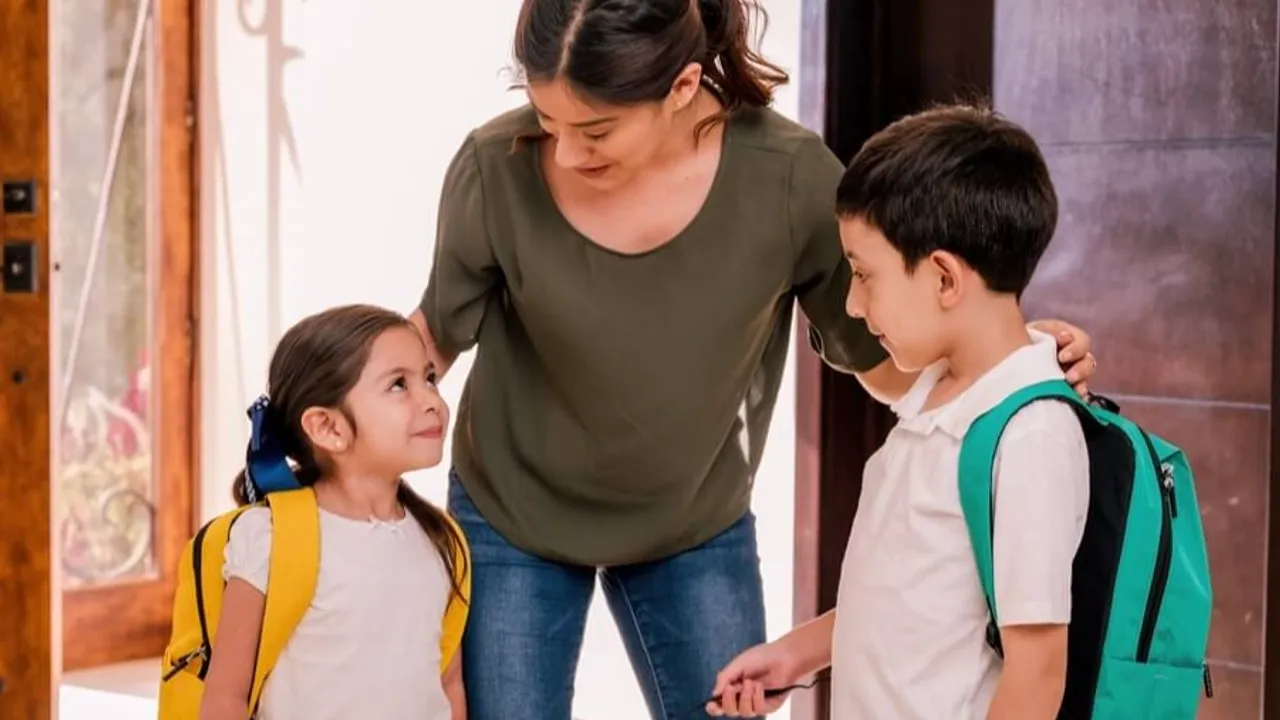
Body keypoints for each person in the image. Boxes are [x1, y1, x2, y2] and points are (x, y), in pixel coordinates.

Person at [412, 1, 1098, 717]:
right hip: (513, 511)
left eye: (596, 131)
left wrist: (1013, 366)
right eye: (547, 120)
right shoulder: (495, 163)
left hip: (692, 521)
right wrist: (350, 408)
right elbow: (433, 334)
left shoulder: (788, 178)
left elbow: (893, 359)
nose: (564, 153)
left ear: (682, 87)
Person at [708, 105, 1087, 719]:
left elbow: (1038, 671)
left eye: (864, 275)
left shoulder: (1029, 437)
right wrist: (796, 655)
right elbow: (911, 598)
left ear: (944, 279)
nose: (852, 306)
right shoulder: (935, 394)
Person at [200, 305, 469, 720]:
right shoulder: (270, 537)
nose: (432, 400)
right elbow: (225, 697)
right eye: (399, 384)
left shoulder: (440, 539)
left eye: (429, 378)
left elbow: (448, 681)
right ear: (328, 427)